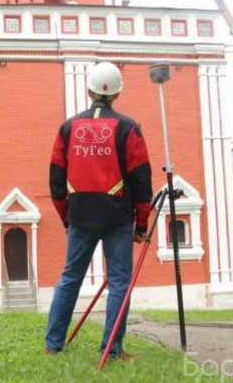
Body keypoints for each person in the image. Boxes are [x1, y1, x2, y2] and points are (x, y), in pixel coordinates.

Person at [46, 62, 153, 359]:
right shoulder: (128, 128)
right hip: (118, 216)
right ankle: (112, 349)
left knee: (70, 278)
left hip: (79, 214)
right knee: (119, 282)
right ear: (117, 93)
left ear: (89, 89)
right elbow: (141, 179)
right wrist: (142, 223)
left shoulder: (68, 127)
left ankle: (53, 346)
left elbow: (56, 178)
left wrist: (66, 216)